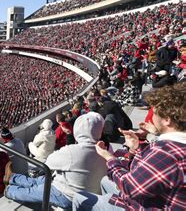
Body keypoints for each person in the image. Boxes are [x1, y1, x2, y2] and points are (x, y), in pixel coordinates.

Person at [73, 82, 186, 210]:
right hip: (154, 198)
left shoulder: (167, 153)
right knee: (105, 180)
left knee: (80, 197)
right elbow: (149, 168)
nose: (151, 116)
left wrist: (109, 158)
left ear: (167, 120)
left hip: (143, 205)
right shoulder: (173, 145)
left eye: (154, 112)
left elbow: (130, 187)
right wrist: (137, 147)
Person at [4, 112, 108, 209]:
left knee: (32, 191)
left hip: (67, 196)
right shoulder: (105, 152)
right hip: (84, 194)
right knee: (39, 181)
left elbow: (49, 163)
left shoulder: (72, 151)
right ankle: (13, 177)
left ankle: (9, 191)